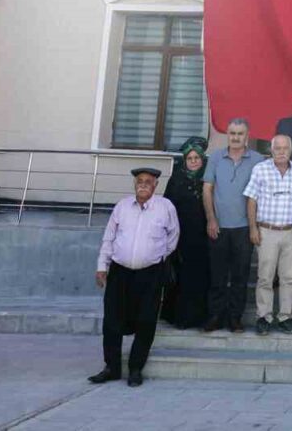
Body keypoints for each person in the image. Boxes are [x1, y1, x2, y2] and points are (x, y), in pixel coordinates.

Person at [89, 167, 179, 387]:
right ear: (135, 184)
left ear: (156, 185)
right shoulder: (122, 206)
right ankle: (111, 367)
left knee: (146, 320)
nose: (143, 184)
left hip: (150, 273)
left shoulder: (165, 207)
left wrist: (156, 256)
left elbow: (173, 237)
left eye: (148, 181)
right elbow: (109, 238)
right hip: (120, 272)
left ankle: (136, 368)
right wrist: (102, 266)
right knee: (112, 320)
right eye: (140, 180)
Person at [202, 118, 261, 332]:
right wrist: (211, 219)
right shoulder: (216, 157)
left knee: (240, 276)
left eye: (240, 133)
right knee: (217, 275)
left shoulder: (257, 159)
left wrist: (255, 226)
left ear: (247, 136)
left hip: (244, 228)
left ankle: (235, 318)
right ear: (228, 134)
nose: (236, 137)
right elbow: (207, 189)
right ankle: (215, 316)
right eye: (232, 133)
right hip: (218, 227)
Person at [244, 134, 292, 335]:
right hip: (267, 231)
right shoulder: (260, 169)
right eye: (277, 148)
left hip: (290, 232)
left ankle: (286, 317)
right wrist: (253, 228)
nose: (281, 152)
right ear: (271, 150)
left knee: (289, 277)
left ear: (291, 150)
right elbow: (251, 200)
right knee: (265, 277)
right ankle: (264, 316)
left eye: (285, 148)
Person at [161, 138, 210, 329]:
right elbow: (167, 206)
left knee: (200, 276)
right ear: (185, 160)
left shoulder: (208, 178)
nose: (194, 161)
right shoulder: (177, 179)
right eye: (190, 158)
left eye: (197, 158)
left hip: (203, 236)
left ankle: (198, 317)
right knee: (181, 277)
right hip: (180, 237)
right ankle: (179, 317)